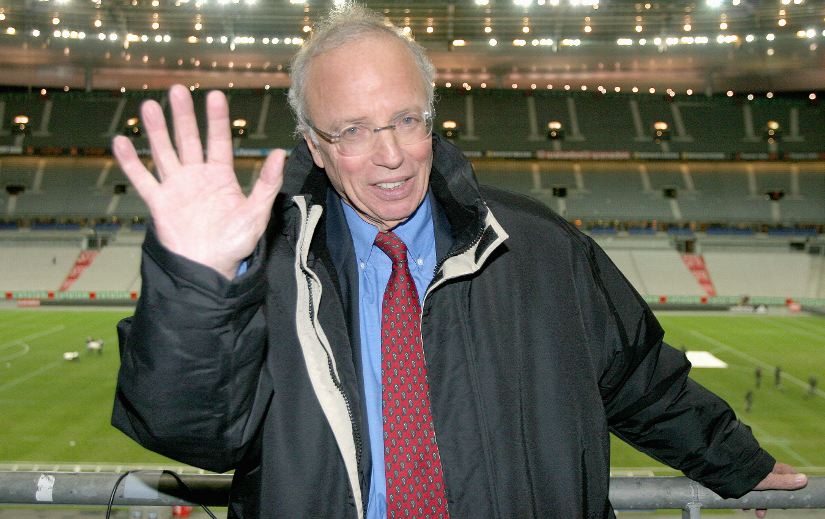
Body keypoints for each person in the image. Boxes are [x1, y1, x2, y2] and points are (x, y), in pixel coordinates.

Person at [110, 4, 806, 519]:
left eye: (405, 120)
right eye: (353, 131)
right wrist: (198, 285)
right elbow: (189, 431)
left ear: (431, 117)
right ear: (314, 147)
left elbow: (637, 378)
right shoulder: (265, 267)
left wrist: (734, 459)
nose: (389, 155)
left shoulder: (541, 247)